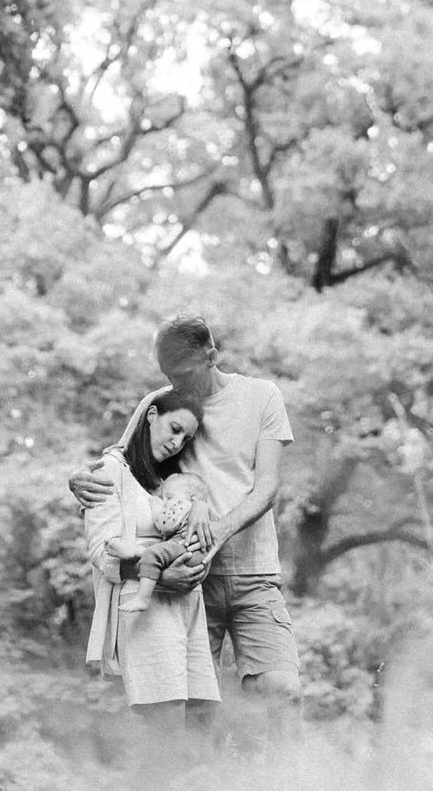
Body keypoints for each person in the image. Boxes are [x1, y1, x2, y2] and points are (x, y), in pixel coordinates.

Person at [72, 313, 301, 748]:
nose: (174, 384)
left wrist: (216, 532)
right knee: (199, 725)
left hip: (253, 574)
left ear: (211, 357)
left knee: (281, 693)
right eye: (167, 376)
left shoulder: (261, 396)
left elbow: (267, 487)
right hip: (187, 583)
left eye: (182, 374)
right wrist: (77, 479)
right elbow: (121, 465)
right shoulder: (160, 401)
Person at [83, 387, 220, 768]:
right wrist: (161, 577)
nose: (177, 443)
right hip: (146, 605)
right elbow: (101, 551)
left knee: (201, 721)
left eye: (186, 439)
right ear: (151, 415)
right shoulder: (109, 472)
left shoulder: (172, 482)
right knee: (167, 728)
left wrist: (200, 510)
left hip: (188, 609)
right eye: (174, 428)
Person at [107, 472, 210, 613]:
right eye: (163, 498)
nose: (165, 502)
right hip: (194, 554)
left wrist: (155, 505)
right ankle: (137, 550)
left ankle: (142, 597)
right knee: (158, 548)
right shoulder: (202, 511)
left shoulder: (186, 506)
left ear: (192, 498)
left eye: (169, 497)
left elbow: (166, 525)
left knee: (153, 554)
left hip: (186, 549)